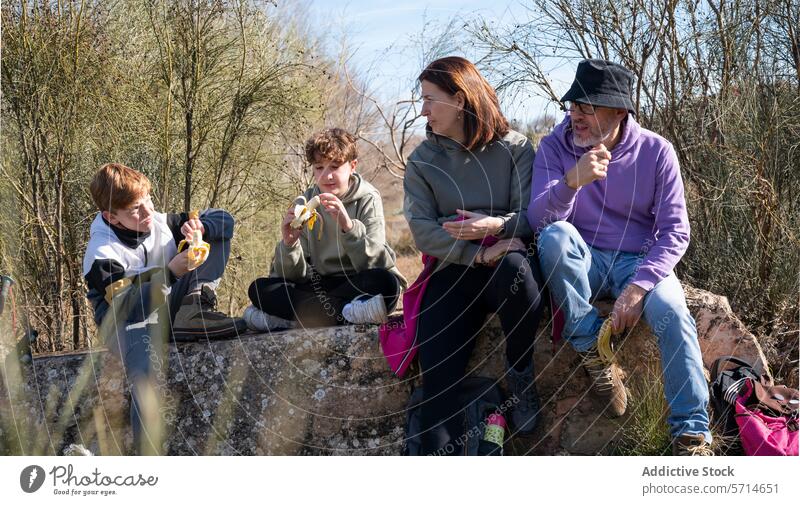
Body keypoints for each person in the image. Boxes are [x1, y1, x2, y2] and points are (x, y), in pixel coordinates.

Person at [529, 59, 712, 455]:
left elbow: (676, 231)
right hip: (584, 259)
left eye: (587, 107)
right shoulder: (553, 147)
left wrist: (638, 287)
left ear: (619, 111)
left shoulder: (656, 152)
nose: (575, 115)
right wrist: (571, 182)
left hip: (638, 261)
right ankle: (594, 353)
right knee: (556, 237)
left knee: (674, 312)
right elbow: (539, 221)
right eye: (572, 105)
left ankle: (692, 434)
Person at [403, 56, 545, 454]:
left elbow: (532, 215)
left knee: (519, 272)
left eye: (430, 99)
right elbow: (423, 231)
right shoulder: (422, 162)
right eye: (422, 100)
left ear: (461, 100)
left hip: (509, 267)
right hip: (455, 272)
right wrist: (477, 253)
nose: (424, 110)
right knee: (437, 382)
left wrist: (495, 227)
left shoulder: (515, 148)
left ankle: (519, 373)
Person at [83, 163, 245, 454]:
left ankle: (193, 307)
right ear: (112, 217)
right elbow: (127, 308)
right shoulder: (101, 252)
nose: (148, 213)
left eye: (148, 201)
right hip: (126, 325)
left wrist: (201, 227)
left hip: (168, 306)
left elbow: (227, 221)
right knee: (147, 378)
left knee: (216, 232)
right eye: (136, 209)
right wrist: (170, 272)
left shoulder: (157, 219)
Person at [245, 128, 406, 330]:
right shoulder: (305, 201)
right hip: (320, 286)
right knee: (259, 289)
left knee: (386, 283)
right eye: (319, 167)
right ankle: (346, 313)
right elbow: (292, 276)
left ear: (352, 166)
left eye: (335, 166)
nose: (327, 176)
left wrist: (348, 226)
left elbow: (376, 263)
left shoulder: (368, 198)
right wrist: (290, 243)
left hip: (357, 283)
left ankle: (296, 318)